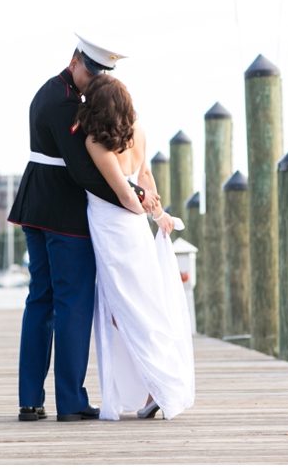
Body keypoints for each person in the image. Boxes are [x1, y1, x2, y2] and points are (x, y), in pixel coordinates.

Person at [8, 33, 161, 422]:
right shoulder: (66, 106)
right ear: (74, 60)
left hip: (36, 206)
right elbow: (86, 174)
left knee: (40, 299)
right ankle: (71, 402)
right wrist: (136, 199)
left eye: (100, 74)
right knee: (71, 304)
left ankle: (30, 400)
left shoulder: (50, 90)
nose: (93, 80)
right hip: (62, 214)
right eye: (90, 70)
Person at [77, 73, 195, 420]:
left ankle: (154, 386)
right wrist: (158, 214)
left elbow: (125, 194)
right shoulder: (138, 133)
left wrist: (145, 205)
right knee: (141, 306)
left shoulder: (95, 144)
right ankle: (150, 391)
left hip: (114, 231)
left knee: (123, 311)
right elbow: (145, 180)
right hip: (136, 232)